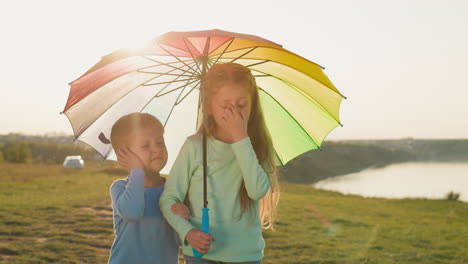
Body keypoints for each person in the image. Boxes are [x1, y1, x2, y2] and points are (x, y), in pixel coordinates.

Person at [160, 63, 280, 264]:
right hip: (202, 254)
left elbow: (258, 191)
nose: (233, 112)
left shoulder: (260, 146)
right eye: (225, 106)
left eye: (241, 105)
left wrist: (240, 138)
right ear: (208, 107)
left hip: (245, 256)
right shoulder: (195, 146)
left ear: (253, 104)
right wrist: (188, 232)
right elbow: (169, 199)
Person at [107, 112, 189, 264]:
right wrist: (136, 171)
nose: (157, 149)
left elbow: (182, 241)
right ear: (124, 156)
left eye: (160, 142)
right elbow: (132, 212)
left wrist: (186, 219)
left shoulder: (175, 190)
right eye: (146, 146)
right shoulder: (119, 188)